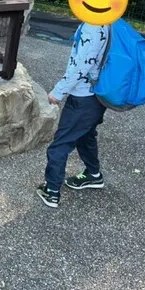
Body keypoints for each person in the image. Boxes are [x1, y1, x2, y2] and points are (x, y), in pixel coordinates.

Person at [37, 21, 109, 208]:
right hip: (97, 96)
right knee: (86, 135)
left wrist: (58, 91)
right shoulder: (108, 23)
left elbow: (81, 66)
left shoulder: (92, 26)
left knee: (61, 144)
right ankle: (93, 174)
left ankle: (52, 191)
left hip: (82, 97)